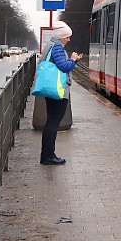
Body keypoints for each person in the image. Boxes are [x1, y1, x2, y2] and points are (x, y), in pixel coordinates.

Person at [39, 21, 83, 165]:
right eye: (67, 37)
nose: (68, 40)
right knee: (53, 123)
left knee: (50, 122)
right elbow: (64, 67)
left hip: (50, 88)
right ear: (61, 36)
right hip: (57, 90)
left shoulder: (50, 45)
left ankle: (46, 155)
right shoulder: (57, 47)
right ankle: (49, 156)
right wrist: (73, 59)